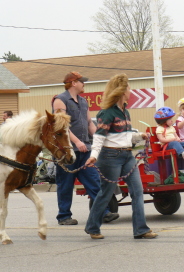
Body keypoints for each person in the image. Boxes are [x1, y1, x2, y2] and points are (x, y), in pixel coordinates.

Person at [84, 73, 157, 240]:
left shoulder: (125, 112)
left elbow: (124, 135)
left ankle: (141, 229)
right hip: (110, 156)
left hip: (127, 155)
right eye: (129, 88)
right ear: (122, 90)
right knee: (106, 193)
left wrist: (139, 136)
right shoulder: (107, 113)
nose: (131, 91)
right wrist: (94, 156)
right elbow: (99, 137)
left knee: (137, 191)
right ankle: (92, 226)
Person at [53, 71, 119, 226]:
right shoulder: (60, 100)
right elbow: (61, 126)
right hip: (67, 152)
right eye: (82, 81)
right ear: (73, 83)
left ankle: (103, 213)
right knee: (65, 184)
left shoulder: (83, 102)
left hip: (85, 150)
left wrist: (99, 141)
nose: (84, 84)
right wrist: (76, 142)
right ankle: (64, 216)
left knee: (94, 182)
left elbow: (90, 123)